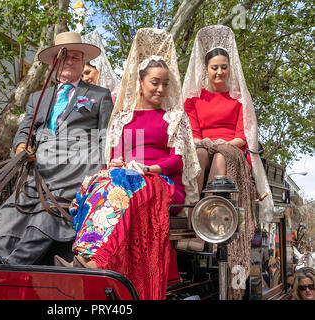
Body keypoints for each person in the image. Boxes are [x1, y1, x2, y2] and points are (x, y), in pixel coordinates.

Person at [56, 28, 200, 300]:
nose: (160, 89)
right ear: (141, 83)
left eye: (165, 83)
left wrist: (150, 169)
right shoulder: (122, 117)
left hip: (162, 181)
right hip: (128, 176)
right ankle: (84, 255)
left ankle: (97, 262)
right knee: (100, 182)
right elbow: (115, 155)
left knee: (124, 184)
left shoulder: (174, 117)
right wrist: (118, 162)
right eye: (155, 82)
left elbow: (178, 160)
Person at [0, 31, 114, 266]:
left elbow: (105, 137)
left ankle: (10, 265)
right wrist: (20, 146)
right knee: (10, 210)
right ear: (55, 62)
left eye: (75, 57)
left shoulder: (99, 95)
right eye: (64, 56)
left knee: (48, 214)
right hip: (38, 171)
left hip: (76, 172)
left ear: (82, 63)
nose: (69, 61)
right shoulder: (38, 97)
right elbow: (24, 129)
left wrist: (98, 173)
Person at [182, 25, 273, 300]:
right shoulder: (193, 101)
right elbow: (194, 136)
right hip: (202, 148)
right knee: (199, 153)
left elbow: (242, 138)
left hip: (231, 151)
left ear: (229, 69)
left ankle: (211, 221)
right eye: (214, 68)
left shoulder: (239, 102)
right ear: (206, 69)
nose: (219, 72)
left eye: (224, 67)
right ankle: (194, 220)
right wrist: (208, 144)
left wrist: (218, 145)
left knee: (220, 154)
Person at [82, 30, 120, 103]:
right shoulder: (84, 100)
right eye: (81, 76)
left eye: (87, 73)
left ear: (100, 69)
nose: (84, 79)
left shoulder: (119, 94)